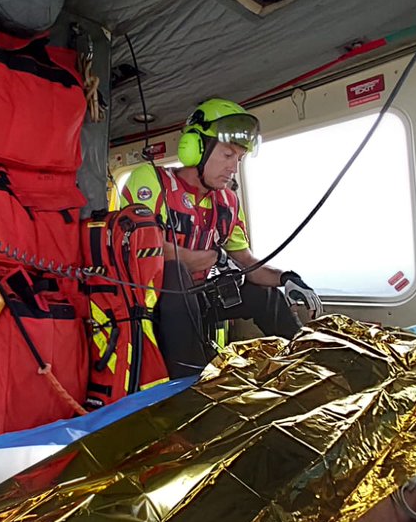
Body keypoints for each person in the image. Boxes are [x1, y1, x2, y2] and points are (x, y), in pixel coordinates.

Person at [120, 98, 323, 377]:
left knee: (263, 293)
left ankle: (310, 358)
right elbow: (144, 250)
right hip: (152, 306)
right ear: (196, 148)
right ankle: (191, 384)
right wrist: (212, 257)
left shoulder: (227, 201)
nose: (233, 168)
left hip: (199, 300)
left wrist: (286, 278)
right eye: (228, 155)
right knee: (175, 273)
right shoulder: (152, 181)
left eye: (239, 159)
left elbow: (247, 262)